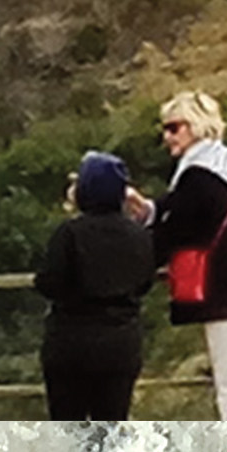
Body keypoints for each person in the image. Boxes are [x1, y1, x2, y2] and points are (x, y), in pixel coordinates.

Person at [127, 90, 227, 420]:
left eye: (173, 127)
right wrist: (150, 209)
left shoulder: (198, 175)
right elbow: (180, 208)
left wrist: (123, 259)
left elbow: (176, 230)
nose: (166, 137)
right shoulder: (224, 166)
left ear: (196, 127)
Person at [35, 149, 156, 421]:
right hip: (121, 343)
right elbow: (145, 281)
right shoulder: (140, 236)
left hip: (70, 343)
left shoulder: (69, 234)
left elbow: (48, 282)